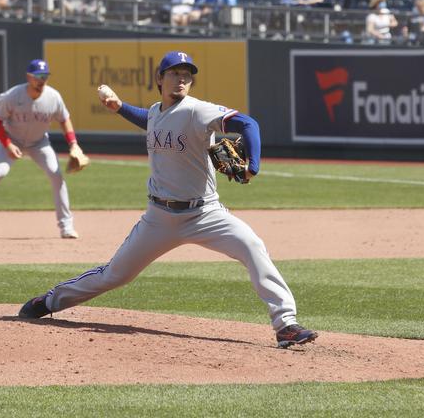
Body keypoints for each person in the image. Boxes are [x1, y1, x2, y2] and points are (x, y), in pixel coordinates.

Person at [18, 50, 318, 348]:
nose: (181, 79)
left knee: (253, 247)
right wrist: (119, 107)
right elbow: (151, 119)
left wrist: (253, 166)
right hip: (158, 218)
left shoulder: (197, 111)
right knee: (114, 274)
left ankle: (285, 324)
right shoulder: (156, 111)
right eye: (174, 73)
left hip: (205, 214)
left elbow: (249, 124)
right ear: (159, 78)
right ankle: (50, 301)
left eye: (187, 75)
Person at [0, 58, 85, 239]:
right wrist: (8, 144)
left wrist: (73, 144)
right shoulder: (13, 96)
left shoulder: (53, 97)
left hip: (39, 143)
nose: (42, 80)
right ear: (28, 77)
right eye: (38, 76)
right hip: (11, 140)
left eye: (45, 76)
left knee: (56, 175)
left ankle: (66, 226)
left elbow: (64, 119)